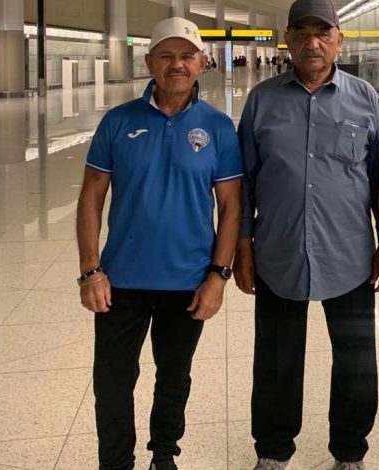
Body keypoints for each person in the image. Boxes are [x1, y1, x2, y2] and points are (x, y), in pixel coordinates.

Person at [76, 16, 242, 470]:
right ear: (149, 62)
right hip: (120, 281)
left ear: (202, 63)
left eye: (186, 56)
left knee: (174, 377)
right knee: (112, 381)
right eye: (166, 56)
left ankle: (164, 454)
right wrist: (90, 270)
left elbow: (231, 207)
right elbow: (91, 196)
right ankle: (116, 463)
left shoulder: (218, 128)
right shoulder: (118, 121)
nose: (176, 64)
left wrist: (218, 276)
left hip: (188, 281)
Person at [234, 0, 379, 468]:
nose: (312, 43)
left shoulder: (365, 98)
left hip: (350, 254)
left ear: (338, 40)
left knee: (357, 362)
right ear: (287, 40)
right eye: (301, 33)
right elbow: (243, 182)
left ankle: (350, 452)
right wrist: (243, 246)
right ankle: (273, 452)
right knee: (276, 360)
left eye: (322, 33)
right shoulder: (262, 100)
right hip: (279, 252)